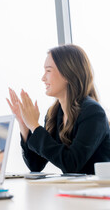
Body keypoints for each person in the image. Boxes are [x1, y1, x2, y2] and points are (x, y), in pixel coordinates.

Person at [7, 44, 110, 174]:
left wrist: (35, 126)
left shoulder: (93, 113)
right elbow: (35, 165)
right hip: (73, 191)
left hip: (97, 191)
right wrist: (24, 124)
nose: (43, 78)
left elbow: (71, 164)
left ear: (68, 74)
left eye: (48, 70)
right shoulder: (54, 114)